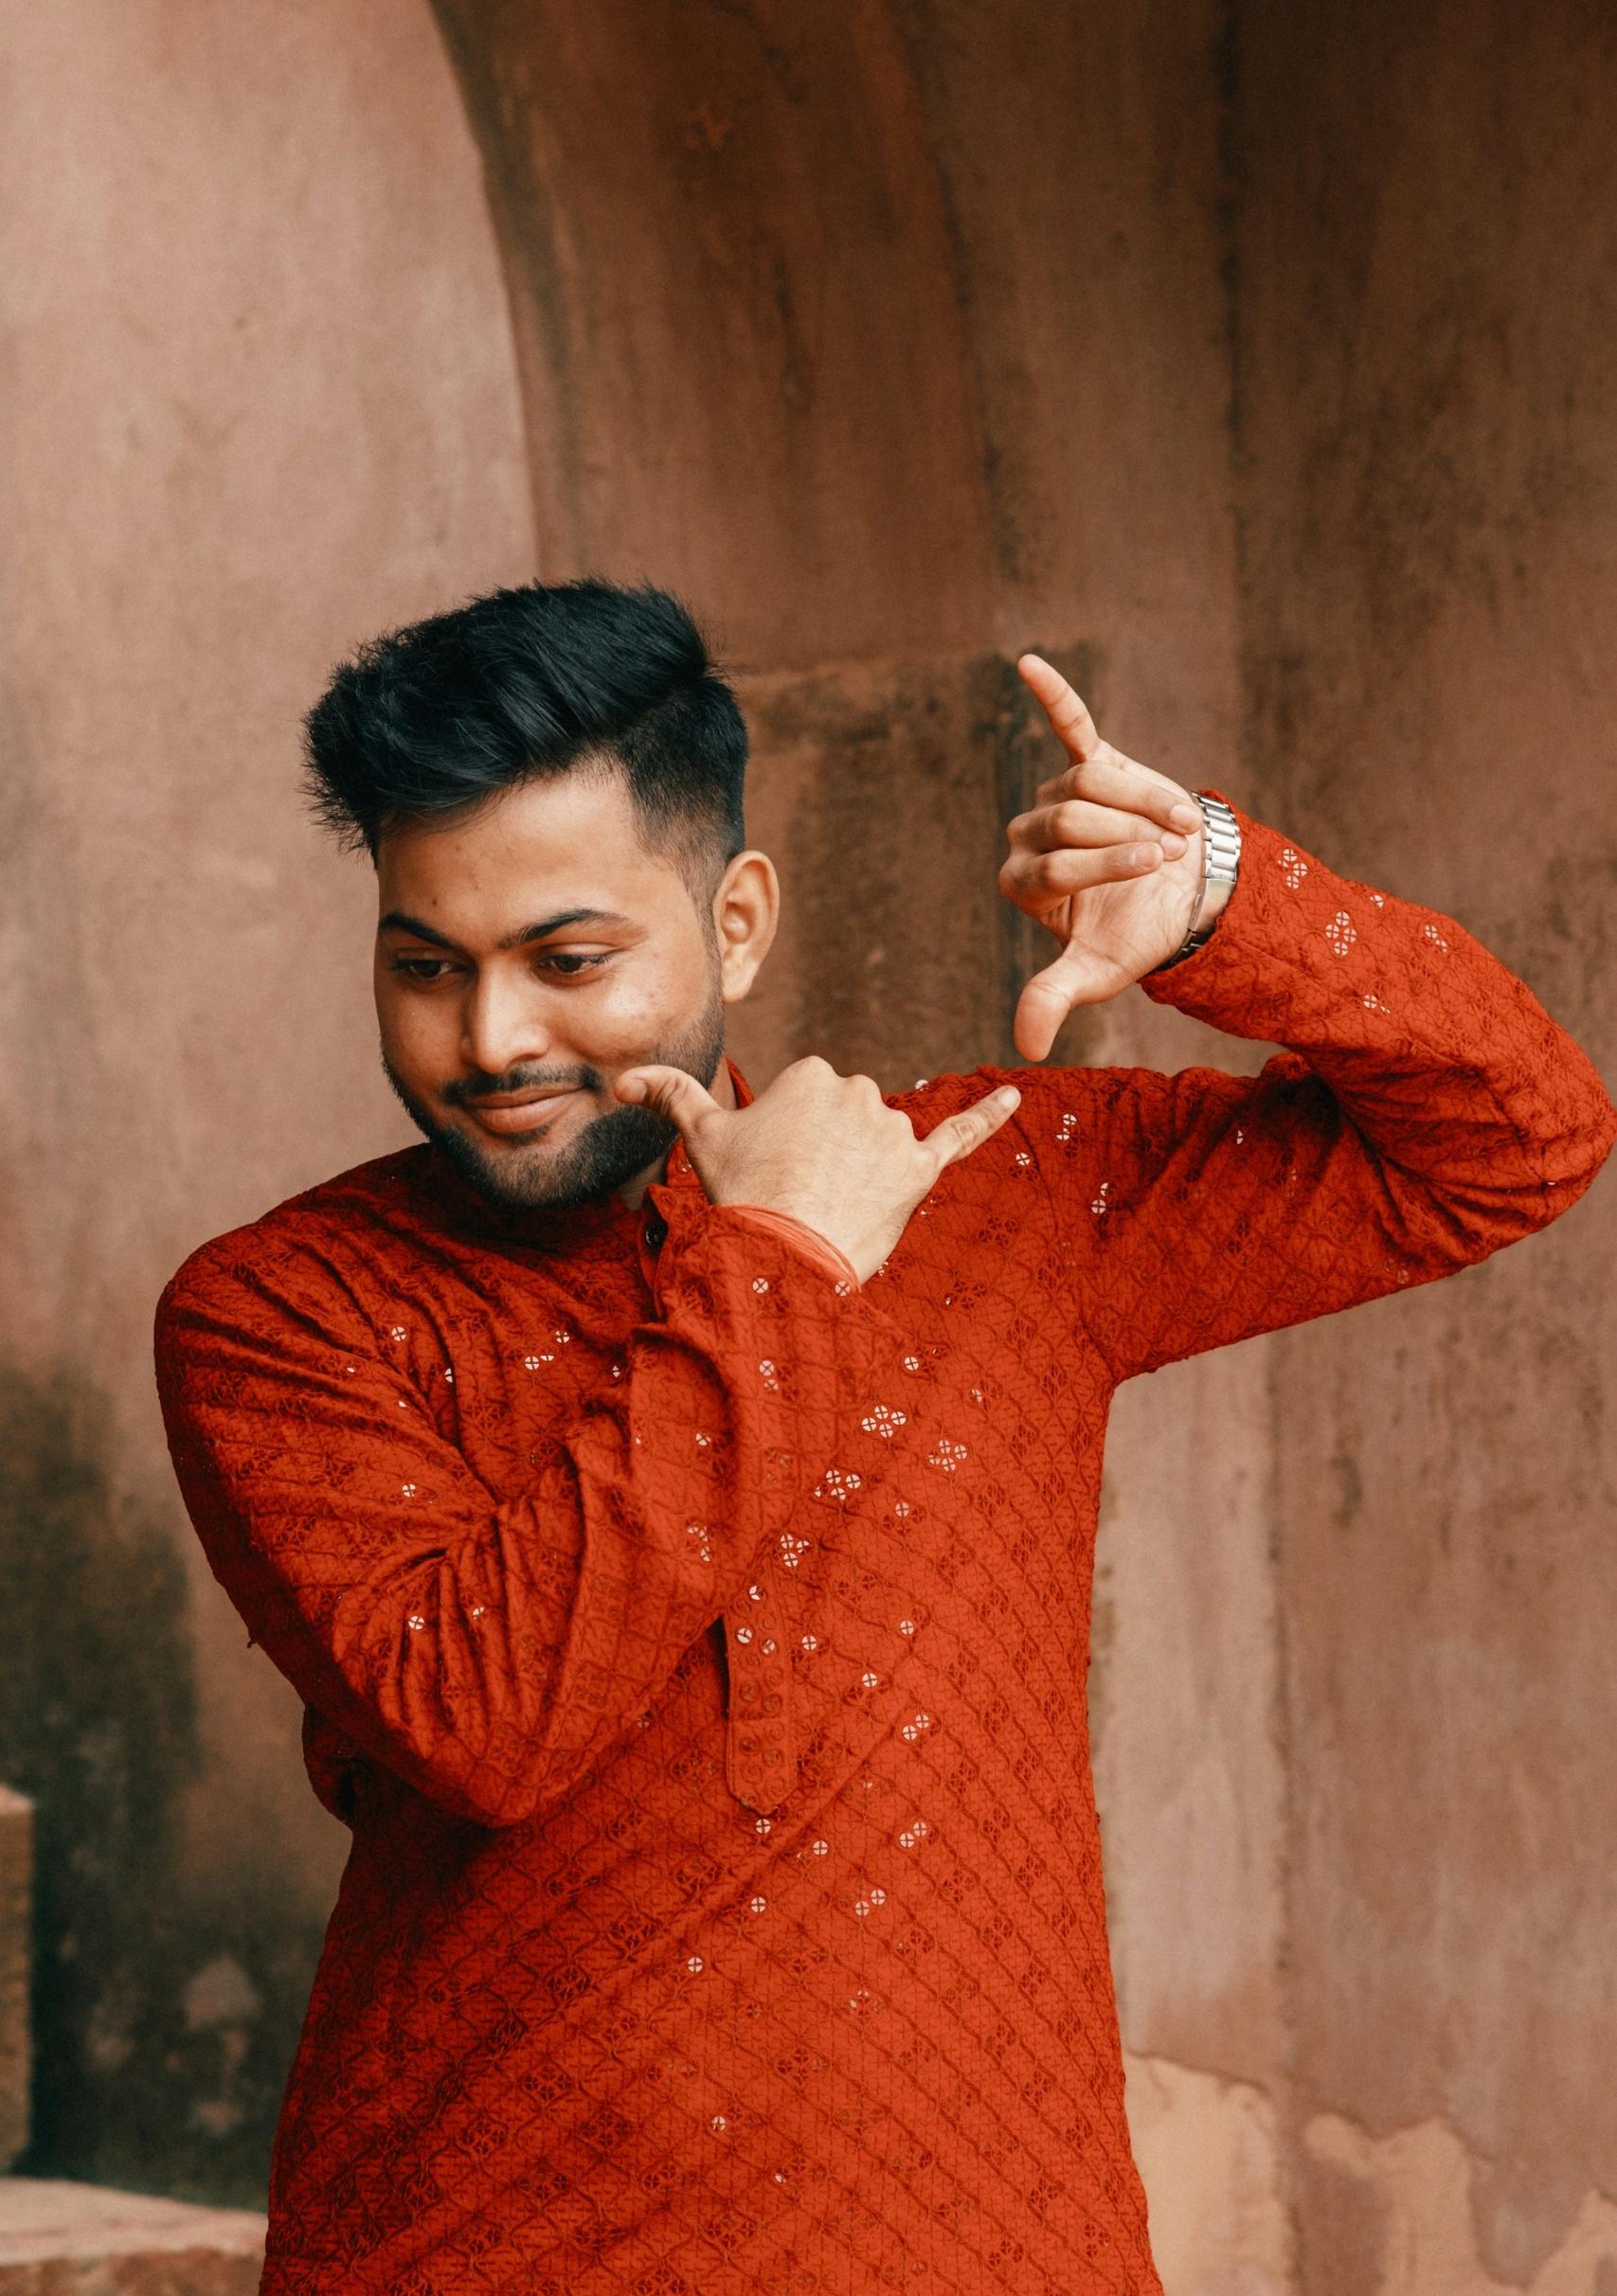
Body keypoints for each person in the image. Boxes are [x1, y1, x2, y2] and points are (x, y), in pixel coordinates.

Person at [153, 578, 1614, 2296]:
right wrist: (783, 1265)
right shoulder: (282, 1311)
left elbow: (1515, 1141)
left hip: (998, 2242)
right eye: (424, 966)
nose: (492, 1041)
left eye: (569, 960)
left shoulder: (1001, 1192)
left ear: (740, 920)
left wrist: (1230, 900)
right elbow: (489, 1718)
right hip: (485, 2248)